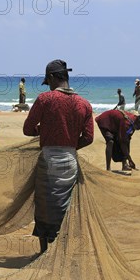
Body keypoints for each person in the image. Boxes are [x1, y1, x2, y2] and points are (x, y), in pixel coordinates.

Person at [23, 59, 94, 254]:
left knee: (45, 205)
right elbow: (88, 138)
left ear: (52, 77)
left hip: (48, 159)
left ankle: (44, 251)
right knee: (65, 205)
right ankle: (62, 252)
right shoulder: (84, 104)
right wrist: (70, 144)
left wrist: (45, 130)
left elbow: (28, 129)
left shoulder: (45, 99)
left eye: (48, 80)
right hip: (70, 160)